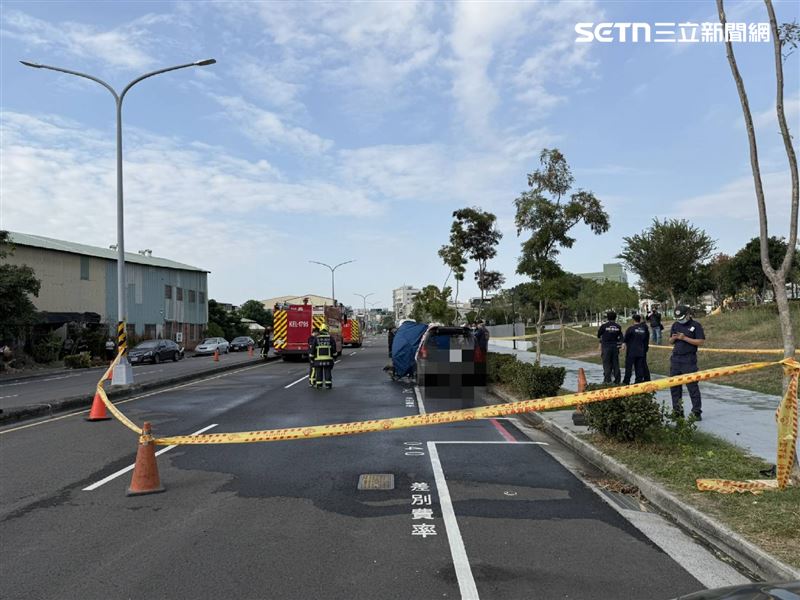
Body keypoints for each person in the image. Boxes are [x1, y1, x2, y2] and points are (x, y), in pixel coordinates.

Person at [669, 304, 705, 420]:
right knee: (674, 387)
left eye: (682, 318)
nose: (681, 321)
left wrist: (684, 338)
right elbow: (670, 341)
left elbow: (700, 341)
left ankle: (696, 412)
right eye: (678, 319)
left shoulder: (696, 325)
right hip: (676, 359)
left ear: (688, 314)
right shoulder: (675, 325)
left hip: (688, 360)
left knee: (692, 386)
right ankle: (677, 411)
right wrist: (674, 338)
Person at [622, 314, 650, 384]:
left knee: (629, 367)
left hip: (631, 351)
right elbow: (646, 340)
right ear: (640, 319)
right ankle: (638, 381)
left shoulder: (630, 329)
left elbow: (625, 339)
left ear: (633, 320)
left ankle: (626, 381)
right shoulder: (644, 329)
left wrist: (624, 345)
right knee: (639, 368)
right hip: (641, 351)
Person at [597, 311, 623, 384]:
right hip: (615, 347)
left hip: (606, 347)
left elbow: (599, 335)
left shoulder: (604, 326)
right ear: (615, 317)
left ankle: (607, 380)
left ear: (607, 318)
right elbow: (621, 337)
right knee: (615, 364)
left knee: (607, 364)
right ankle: (617, 380)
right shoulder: (618, 326)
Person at [309, 324, 335, 389]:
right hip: (328, 360)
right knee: (327, 372)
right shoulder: (330, 338)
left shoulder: (316, 338)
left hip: (318, 360)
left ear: (320, 330)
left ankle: (319, 385)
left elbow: (312, 349)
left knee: (319, 372)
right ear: (327, 330)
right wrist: (334, 357)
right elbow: (334, 350)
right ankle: (328, 385)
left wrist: (311, 357)